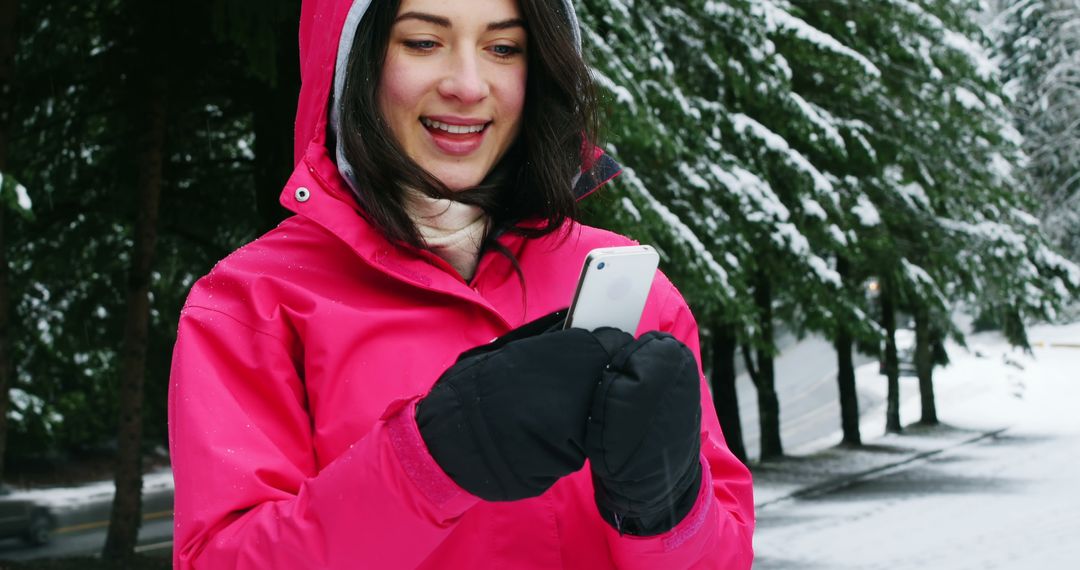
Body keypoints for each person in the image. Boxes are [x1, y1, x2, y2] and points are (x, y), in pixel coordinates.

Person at [167, 0, 755, 567]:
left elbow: (722, 559)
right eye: (424, 42)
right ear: (354, 61)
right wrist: (428, 463)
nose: (469, 86)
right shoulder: (255, 302)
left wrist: (667, 510)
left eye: (503, 47)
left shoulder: (632, 286)